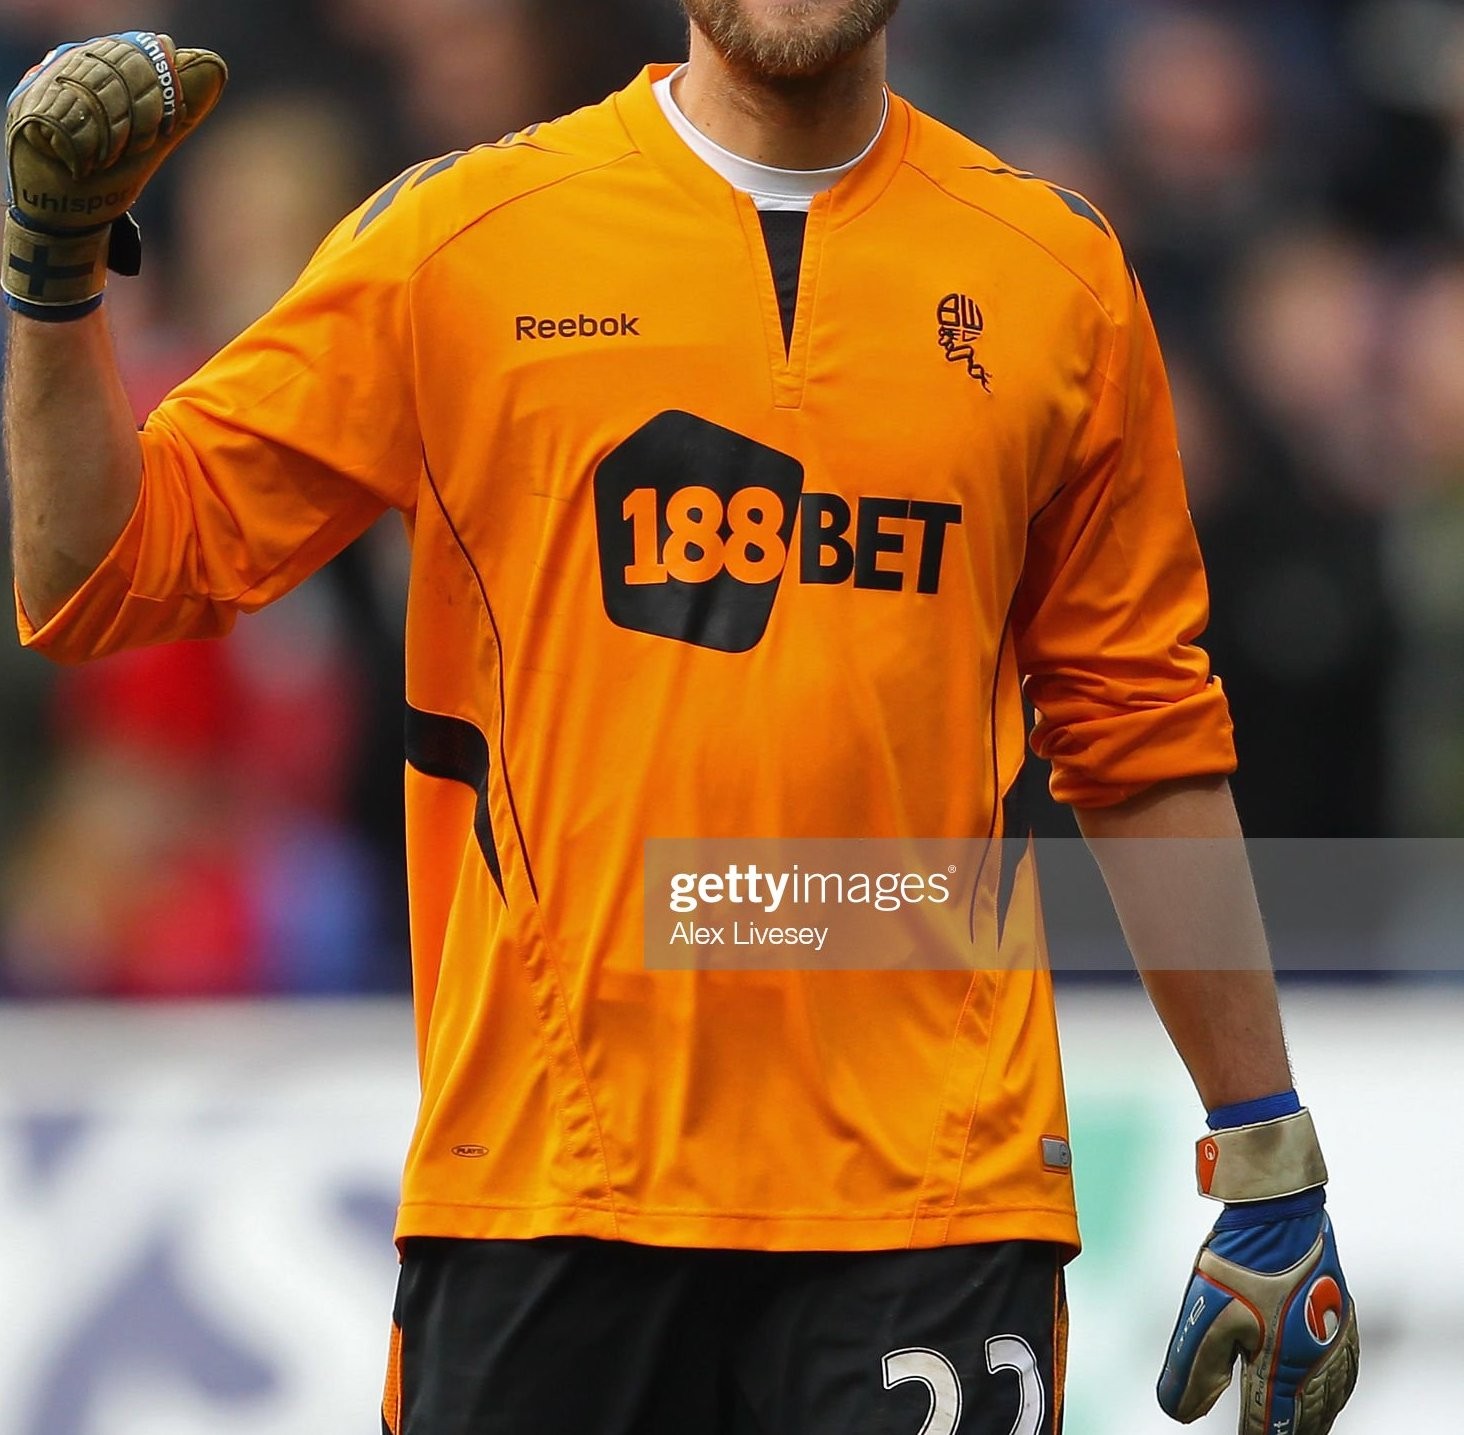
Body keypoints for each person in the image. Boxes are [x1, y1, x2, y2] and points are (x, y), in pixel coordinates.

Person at [4, 9, 1359, 1434]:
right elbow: (99, 574)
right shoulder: (460, 241)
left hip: (931, 1205)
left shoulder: (1053, 276)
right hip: (548, 1189)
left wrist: (1265, 1150)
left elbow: (1141, 733)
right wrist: (55, 272)